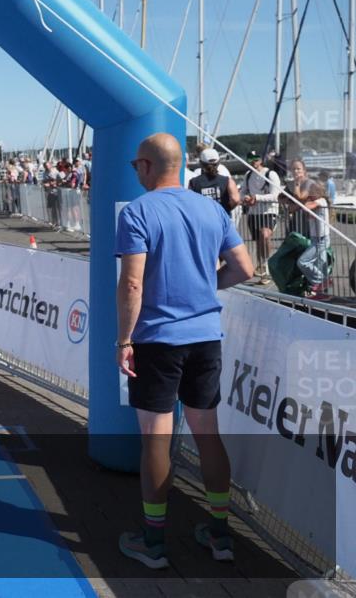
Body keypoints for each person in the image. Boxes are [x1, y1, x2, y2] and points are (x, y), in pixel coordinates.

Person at [115, 133, 253, 569]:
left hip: (158, 339)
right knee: (207, 434)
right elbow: (244, 268)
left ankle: (153, 543)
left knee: (156, 439)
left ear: (148, 166)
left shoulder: (138, 211)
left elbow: (133, 284)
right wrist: (200, 289)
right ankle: (220, 536)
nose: (136, 171)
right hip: (205, 337)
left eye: (136, 164)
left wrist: (124, 340)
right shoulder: (212, 209)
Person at [241, 150, 280, 285]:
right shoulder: (248, 175)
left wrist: (257, 198)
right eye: (251, 159)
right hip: (253, 213)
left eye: (256, 159)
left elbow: (276, 195)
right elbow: (242, 192)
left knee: (265, 235)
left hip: (269, 211)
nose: (253, 161)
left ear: (261, 160)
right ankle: (262, 267)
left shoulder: (271, 174)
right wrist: (245, 198)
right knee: (259, 241)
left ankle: (267, 266)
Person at [188, 148, 240, 216]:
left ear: (201, 163)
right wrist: (227, 209)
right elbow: (235, 199)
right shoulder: (228, 181)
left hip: (203, 219)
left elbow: (190, 202)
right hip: (222, 218)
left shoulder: (193, 182)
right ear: (218, 162)